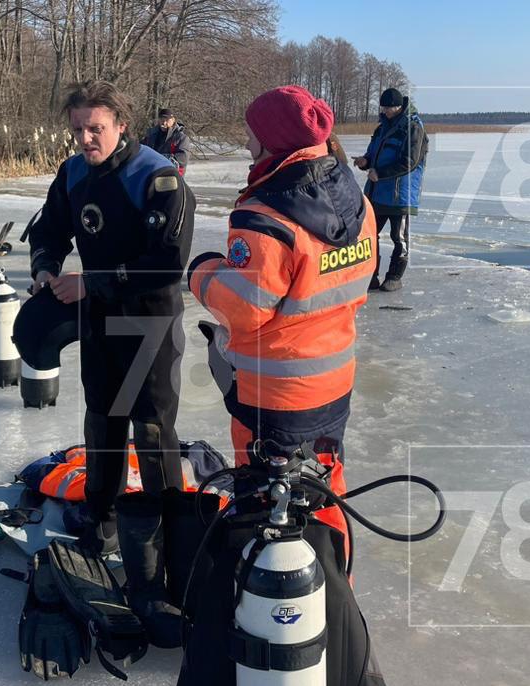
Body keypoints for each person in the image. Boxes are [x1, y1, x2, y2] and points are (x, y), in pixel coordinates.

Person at [26, 80, 195, 647]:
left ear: (121, 123)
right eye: (76, 129)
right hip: (99, 318)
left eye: (95, 128)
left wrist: (93, 281)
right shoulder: (72, 173)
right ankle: (98, 519)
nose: (85, 138)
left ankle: (169, 543)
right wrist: (48, 267)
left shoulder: (158, 176)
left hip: (148, 320)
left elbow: (168, 264)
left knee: (150, 428)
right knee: (102, 418)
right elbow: (47, 231)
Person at [187, 84, 376, 540]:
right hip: (334, 384)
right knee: (325, 489)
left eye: (251, 133)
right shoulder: (356, 202)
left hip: (274, 396)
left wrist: (201, 271)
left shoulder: (265, 214)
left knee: (267, 506)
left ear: (270, 140)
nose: (246, 142)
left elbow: (245, 309)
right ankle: (336, 588)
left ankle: (271, 602)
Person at [354, 87, 428, 292]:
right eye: (383, 107)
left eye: (389, 108)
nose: (385, 111)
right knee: (369, 234)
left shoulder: (413, 128)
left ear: (398, 107)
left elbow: (410, 162)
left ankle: (394, 277)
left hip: (400, 194)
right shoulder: (381, 128)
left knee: (399, 237)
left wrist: (380, 173)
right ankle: (371, 275)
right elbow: (373, 154)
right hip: (377, 193)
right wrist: (364, 161)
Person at [140, 108, 190, 174]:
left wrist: (160, 161)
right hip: (152, 174)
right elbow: (142, 151)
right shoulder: (151, 136)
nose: (164, 123)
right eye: (161, 120)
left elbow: (182, 159)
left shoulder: (181, 138)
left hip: (172, 176)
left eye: (167, 120)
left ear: (173, 120)